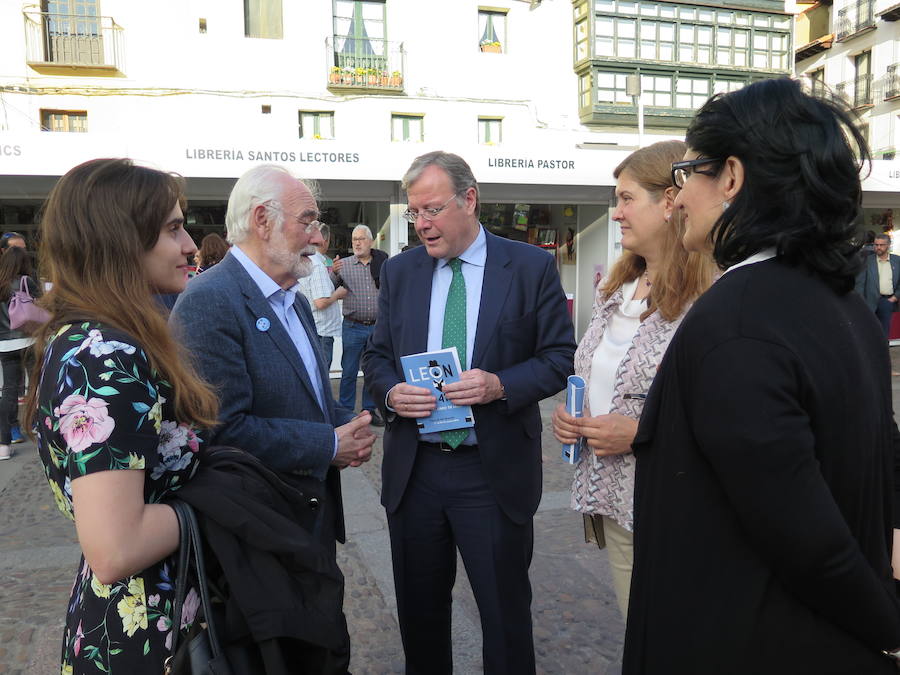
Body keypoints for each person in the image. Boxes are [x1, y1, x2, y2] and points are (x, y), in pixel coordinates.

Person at [623, 78, 900, 673]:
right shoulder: (839, 301)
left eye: (686, 173)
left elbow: (803, 535)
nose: (677, 197)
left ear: (731, 177)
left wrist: (889, 628)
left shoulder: (736, 321)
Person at [362, 151, 576, 674]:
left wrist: (500, 384)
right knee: (420, 616)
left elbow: (559, 358)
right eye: (415, 213)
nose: (423, 224)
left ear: (470, 200)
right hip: (417, 472)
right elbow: (377, 356)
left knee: (505, 618)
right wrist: (391, 394)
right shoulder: (401, 271)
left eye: (432, 209)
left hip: (491, 472)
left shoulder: (528, 266)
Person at [169, 164, 375, 670]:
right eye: (308, 221)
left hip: (308, 521)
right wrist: (329, 445)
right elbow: (221, 432)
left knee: (322, 644)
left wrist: (354, 419)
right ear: (262, 219)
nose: (318, 237)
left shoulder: (294, 300)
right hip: (258, 533)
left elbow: (306, 395)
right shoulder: (208, 302)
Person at [23, 158, 220, 673]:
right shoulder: (106, 353)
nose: (190, 246)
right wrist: (227, 498)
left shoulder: (90, 338)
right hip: (146, 633)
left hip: (140, 616)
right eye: (173, 229)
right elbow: (115, 545)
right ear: (121, 239)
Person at [551, 140, 714, 618]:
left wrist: (644, 434)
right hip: (617, 502)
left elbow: (725, 415)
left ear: (669, 202)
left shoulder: (708, 298)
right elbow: (594, 374)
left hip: (675, 508)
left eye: (626, 198)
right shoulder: (617, 288)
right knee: (643, 635)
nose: (616, 212)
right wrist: (572, 416)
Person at [331, 224, 387, 426]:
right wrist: (332, 272)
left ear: (370, 241)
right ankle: (345, 412)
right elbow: (328, 287)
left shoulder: (383, 263)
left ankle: (369, 410)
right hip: (353, 327)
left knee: (372, 371)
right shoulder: (343, 265)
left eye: (361, 238)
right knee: (349, 371)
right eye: (354, 239)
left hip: (376, 327)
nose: (357, 243)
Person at [0, 246, 42, 458]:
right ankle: (38, 427)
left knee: (8, 390)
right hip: (28, 340)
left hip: (4, 345)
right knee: (35, 385)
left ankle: (3, 444)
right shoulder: (27, 282)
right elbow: (43, 305)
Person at [298, 223, 346, 369]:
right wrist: (337, 295)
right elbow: (320, 302)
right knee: (321, 377)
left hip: (316, 329)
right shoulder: (318, 265)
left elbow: (317, 289)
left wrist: (333, 274)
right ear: (326, 240)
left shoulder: (310, 261)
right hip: (321, 332)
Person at [855, 232, 900, 339]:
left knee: (884, 333)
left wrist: (895, 297)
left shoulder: (897, 260)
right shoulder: (867, 261)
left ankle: (883, 354)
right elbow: (860, 283)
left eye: (881, 245)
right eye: (876, 244)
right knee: (867, 331)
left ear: (888, 245)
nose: (878, 247)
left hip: (887, 301)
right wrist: (860, 302)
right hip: (869, 302)